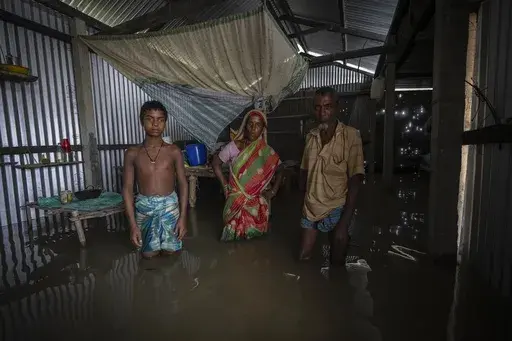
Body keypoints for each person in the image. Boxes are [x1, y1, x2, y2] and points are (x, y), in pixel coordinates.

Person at [299, 87, 365, 265]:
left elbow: (356, 179)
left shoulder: (351, 136)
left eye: (327, 106)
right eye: (318, 107)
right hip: (311, 206)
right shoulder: (310, 136)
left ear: (337, 107)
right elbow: (304, 172)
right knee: (303, 257)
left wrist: (345, 221)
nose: (322, 112)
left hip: (337, 207)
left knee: (337, 262)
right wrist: (303, 199)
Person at [123, 100, 188, 259]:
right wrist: (132, 225)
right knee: (148, 255)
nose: (155, 124)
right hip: (144, 207)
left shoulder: (173, 151)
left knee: (171, 253)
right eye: (150, 118)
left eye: (160, 119)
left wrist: (183, 218)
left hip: (170, 207)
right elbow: (127, 188)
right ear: (141, 121)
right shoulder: (132, 153)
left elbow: (183, 184)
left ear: (165, 123)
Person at [212, 109, 284, 241]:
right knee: (231, 235)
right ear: (245, 126)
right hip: (234, 200)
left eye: (258, 125)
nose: (253, 128)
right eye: (250, 124)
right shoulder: (233, 146)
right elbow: (215, 163)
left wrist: (273, 192)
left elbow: (280, 169)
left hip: (254, 204)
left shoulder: (265, 151)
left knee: (252, 238)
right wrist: (224, 186)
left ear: (263, 129)